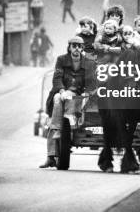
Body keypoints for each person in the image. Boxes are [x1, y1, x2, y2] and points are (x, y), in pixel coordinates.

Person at [39, 36, 97, 168]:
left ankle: (51, 154)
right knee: (58, 100)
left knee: (58, 117)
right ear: (69, 47)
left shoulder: (89, 62)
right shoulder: (61, 59)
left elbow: (92, 81)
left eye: (79, 46)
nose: (76, 48)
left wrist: (86, 92)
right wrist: (62, 91)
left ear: (82, 48)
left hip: (80, 95)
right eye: (74, 45)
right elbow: (57, 78)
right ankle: (52, 151)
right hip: (64, 93)